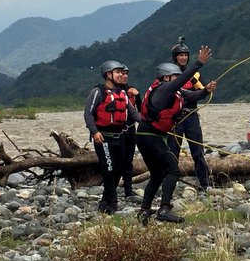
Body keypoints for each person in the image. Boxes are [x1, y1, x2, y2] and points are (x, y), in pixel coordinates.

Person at [135, 46, 212, 224]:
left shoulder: (171, 91)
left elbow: (191, 96)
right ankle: (164, 208)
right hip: (150, 136)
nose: (177, 80)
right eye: (174, 77)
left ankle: (144, 210)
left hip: (147, 136)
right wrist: (198, 63)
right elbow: (184, 80)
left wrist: (206, 90)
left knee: (157, 174)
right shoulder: (163, 90)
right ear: (166, 78)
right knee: (173, 170)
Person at [84, 61, 135, 215]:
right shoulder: (98, 92)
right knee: (108, 169)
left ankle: (104, 201)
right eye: (117, 72)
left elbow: (133, 113)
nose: (121, 75)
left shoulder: (122, 93)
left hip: (119, 136)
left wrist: (149, 123)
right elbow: (88, 114)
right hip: (103, 137)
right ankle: (112, 204)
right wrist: (94, 131)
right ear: (108, 74)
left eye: (122, 72)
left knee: (119, 169)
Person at [169, 41, 217, 192]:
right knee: (173, 151)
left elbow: (201, 92)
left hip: (191, 116)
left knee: (197, 150)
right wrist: (202, 92)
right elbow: (185, 94)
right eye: (180, 55)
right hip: (175, 118)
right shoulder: (170, 74)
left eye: (185, 55)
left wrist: (207, 89)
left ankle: (205, 183)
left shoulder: (194, 74)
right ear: (175, 58)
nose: (183, 58)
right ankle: (169, 182)